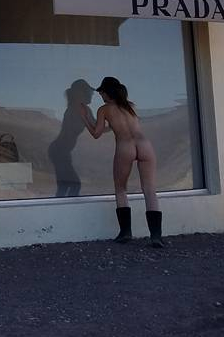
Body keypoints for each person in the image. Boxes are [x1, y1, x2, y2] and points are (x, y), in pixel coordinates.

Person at [81, 76, 163, 247]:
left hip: (125, 147)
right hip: (145, 145)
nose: (101, 96)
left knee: (120, 189)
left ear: (106, 92)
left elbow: (96, 133)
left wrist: (85, 117)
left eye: (101, 93)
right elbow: (117, 127)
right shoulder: (130, 106)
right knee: (149, 190)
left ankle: (125, 233)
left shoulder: (104, 109)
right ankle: (156, 236)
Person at [47, 79, 93, 197]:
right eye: (88, 92)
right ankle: (62, 206)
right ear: (80, 93)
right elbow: (96, 127)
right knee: (72, 185)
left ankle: (60, 205)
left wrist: (114, 126)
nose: (91, 95)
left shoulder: (83, 109)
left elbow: (96, 128)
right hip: (59, 151)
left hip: (62, 152)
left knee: (67, 185)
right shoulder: (74, 109)